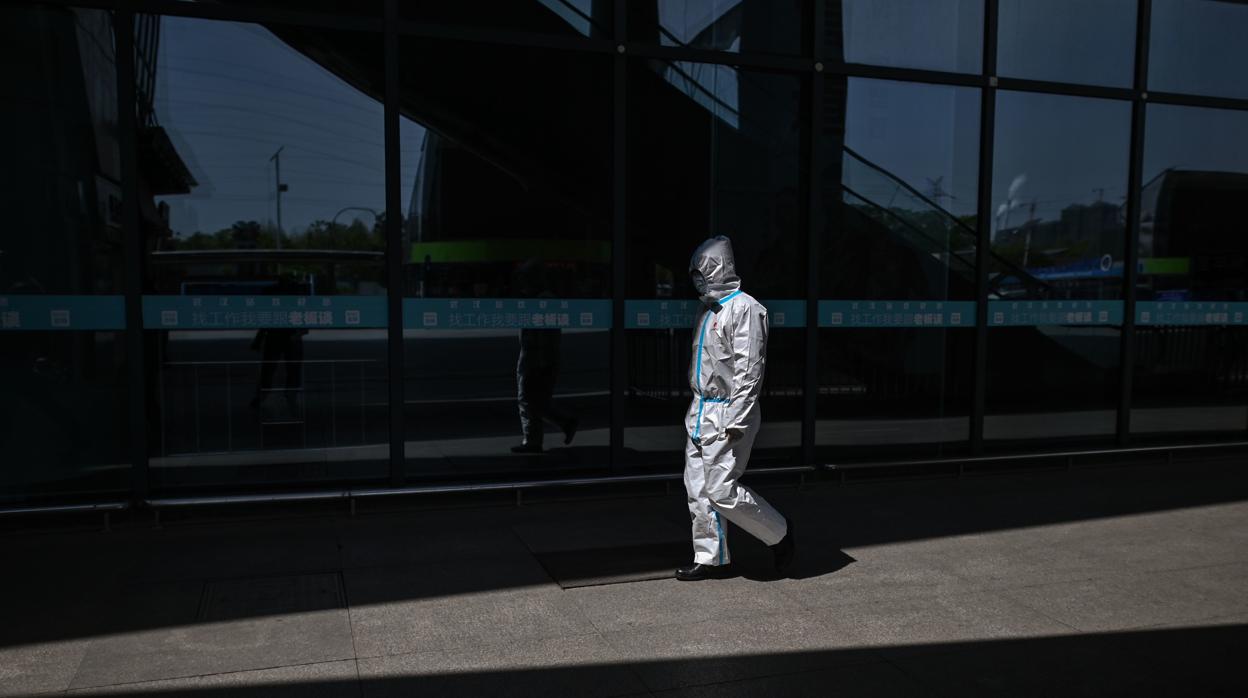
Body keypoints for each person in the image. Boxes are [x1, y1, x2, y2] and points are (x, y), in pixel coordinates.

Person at [677, 235, 794, 581]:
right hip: (700, 410)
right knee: (697, 487)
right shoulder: (708, 308)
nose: (698, 279)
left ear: (719, 268)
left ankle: (780, 533)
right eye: (695, 273)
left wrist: (737, 417)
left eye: (703, 271)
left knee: (721, 489)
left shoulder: (746, 308)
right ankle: (711, 557)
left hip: (727, 411)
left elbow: (749, 369)